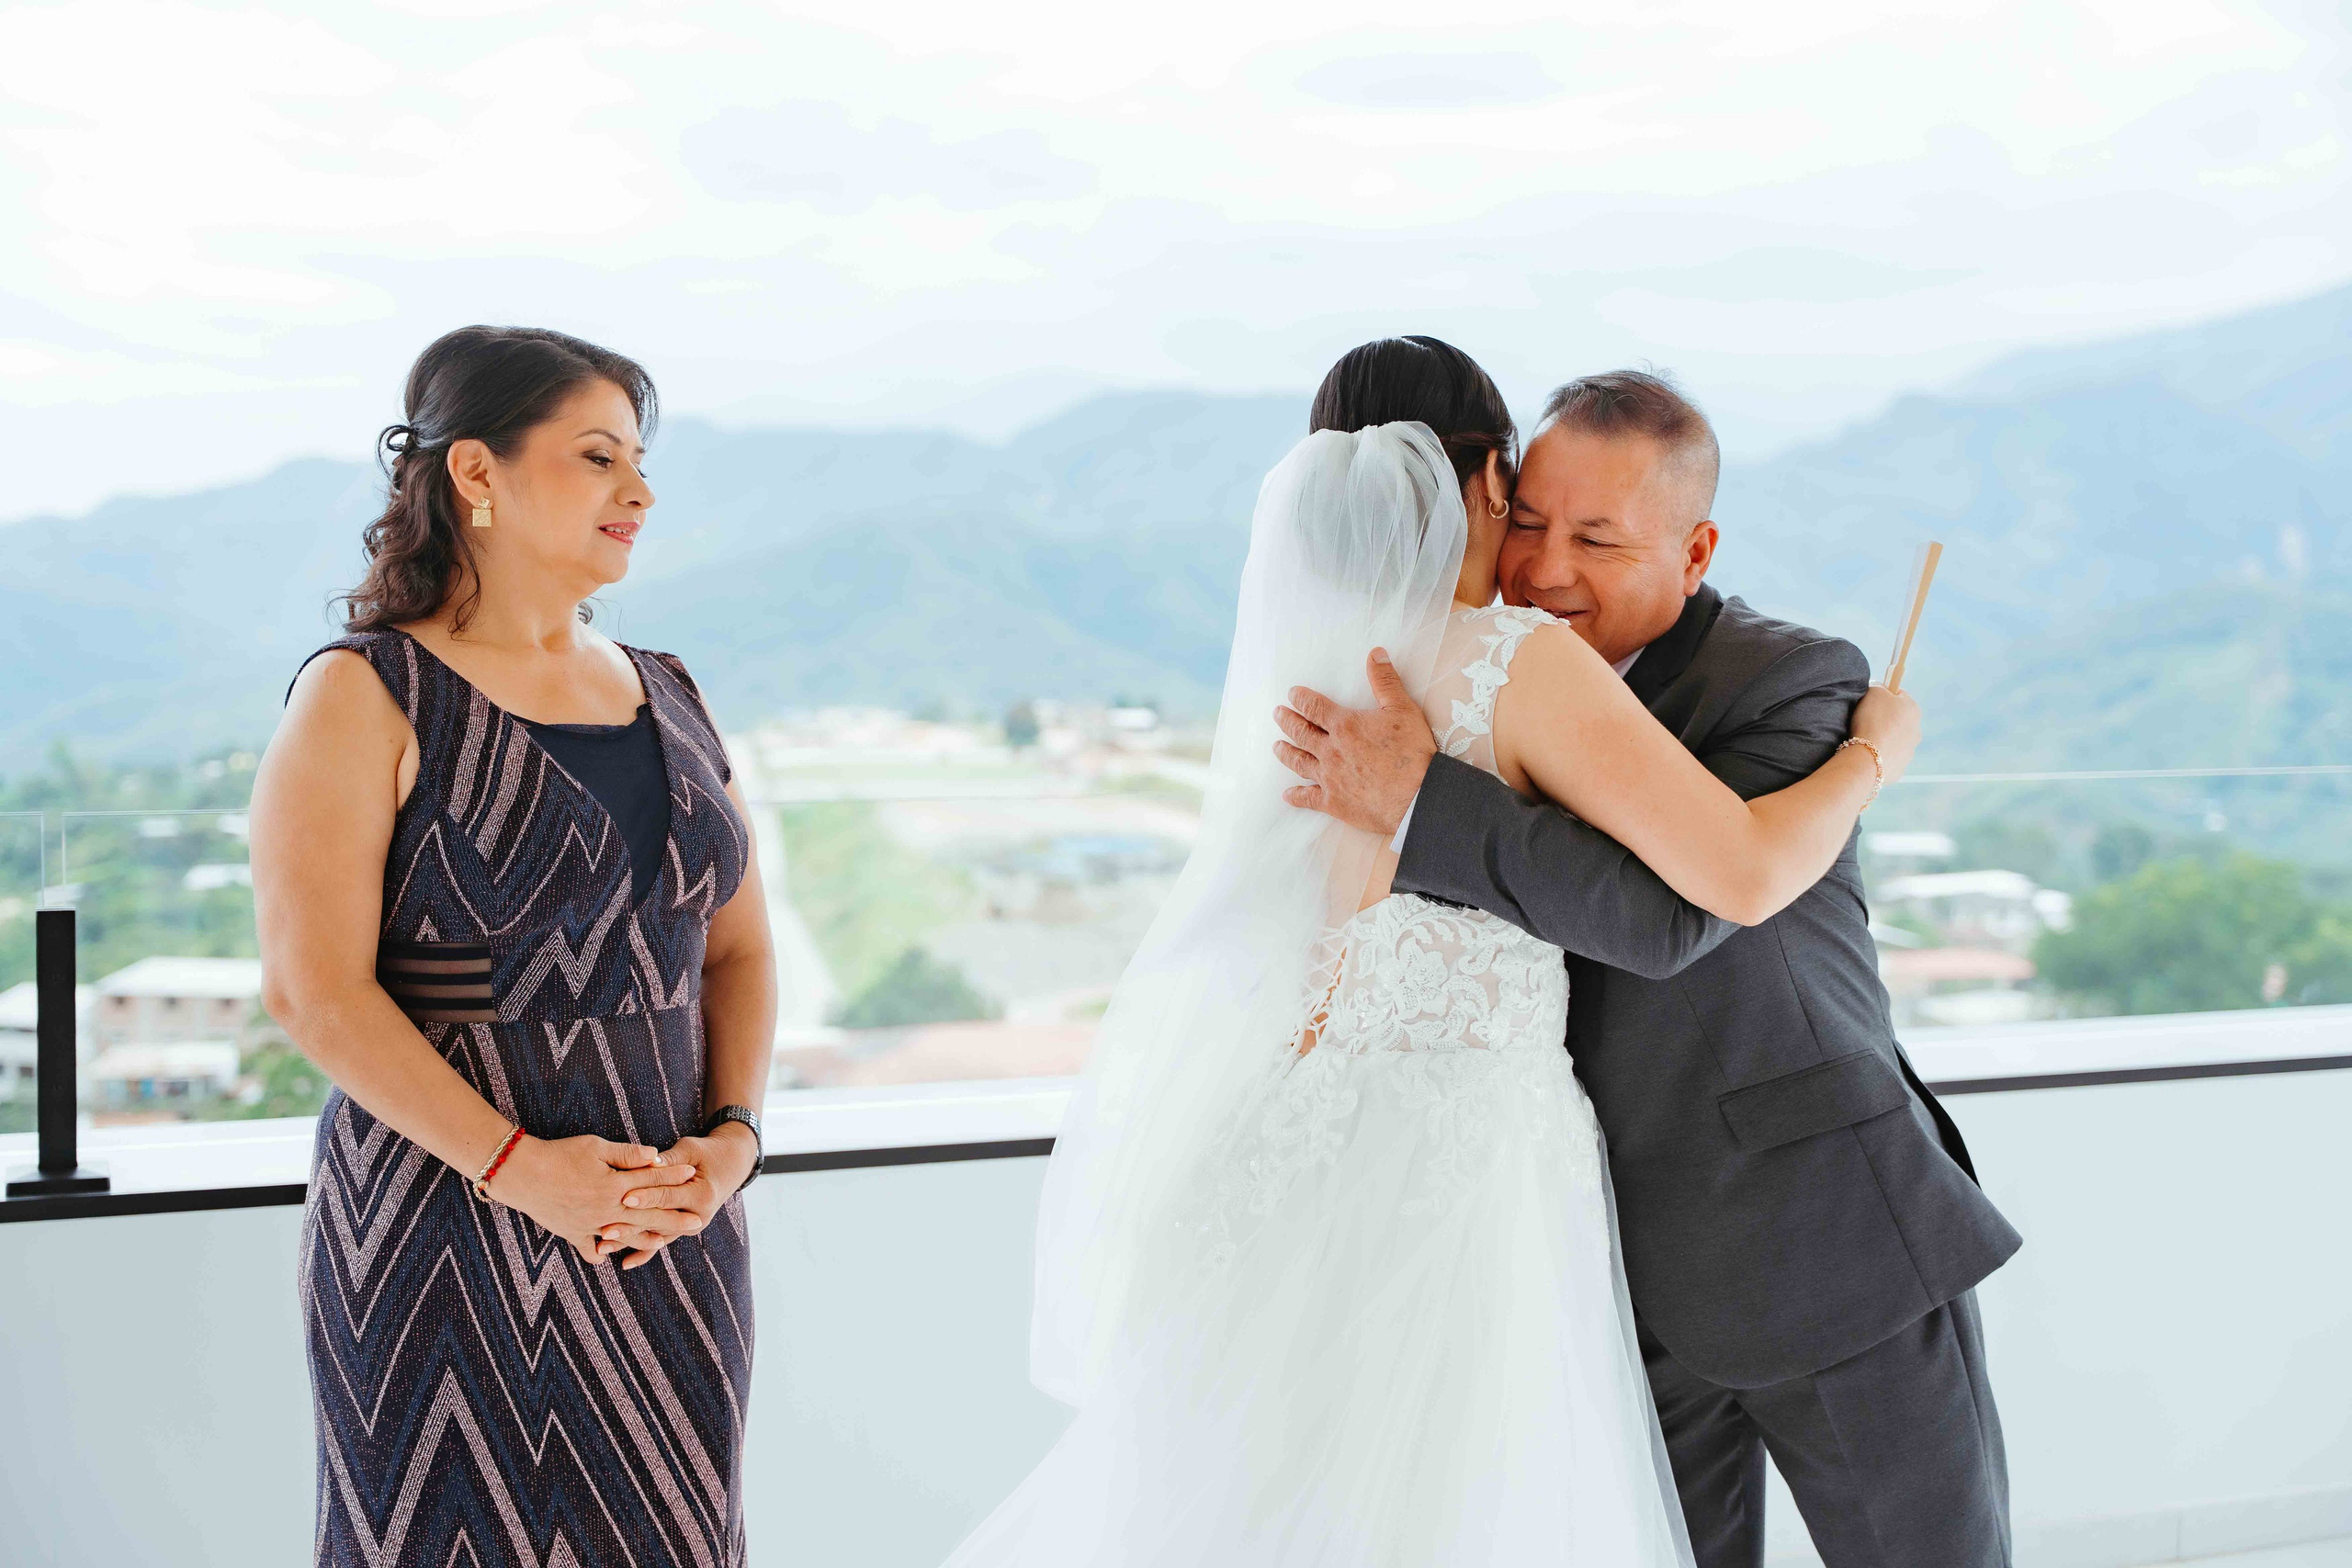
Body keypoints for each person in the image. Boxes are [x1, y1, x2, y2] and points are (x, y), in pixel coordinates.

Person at [943, 336, 1920, 1566]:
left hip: (1294, 1142)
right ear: (1483, 484)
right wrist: (1874, 752)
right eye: (1519, 500)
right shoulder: (1513, 663)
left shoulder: (1298, 677)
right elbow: (1728, 878)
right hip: (1477, 1153)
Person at [1277, 367, 2022, 1568]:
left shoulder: (1794, 680)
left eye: (1597, 539)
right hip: (1597, 1271)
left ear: (1696, 546)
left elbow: (1669, 919)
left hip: (1822, 1238)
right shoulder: (1442, 676)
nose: (1547, 566)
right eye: (1527, 521)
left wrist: (1426, 802)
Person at [249, 326, 775, 1567]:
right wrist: (522, 1169)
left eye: (641, 463)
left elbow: (735, 953)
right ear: (478, 473)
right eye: (598, 458)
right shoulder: (365, 691)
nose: (638, 493)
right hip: (445, 1240)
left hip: (668, 1244)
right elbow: (312, 992)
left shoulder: (672, 688)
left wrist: (732, 1146)